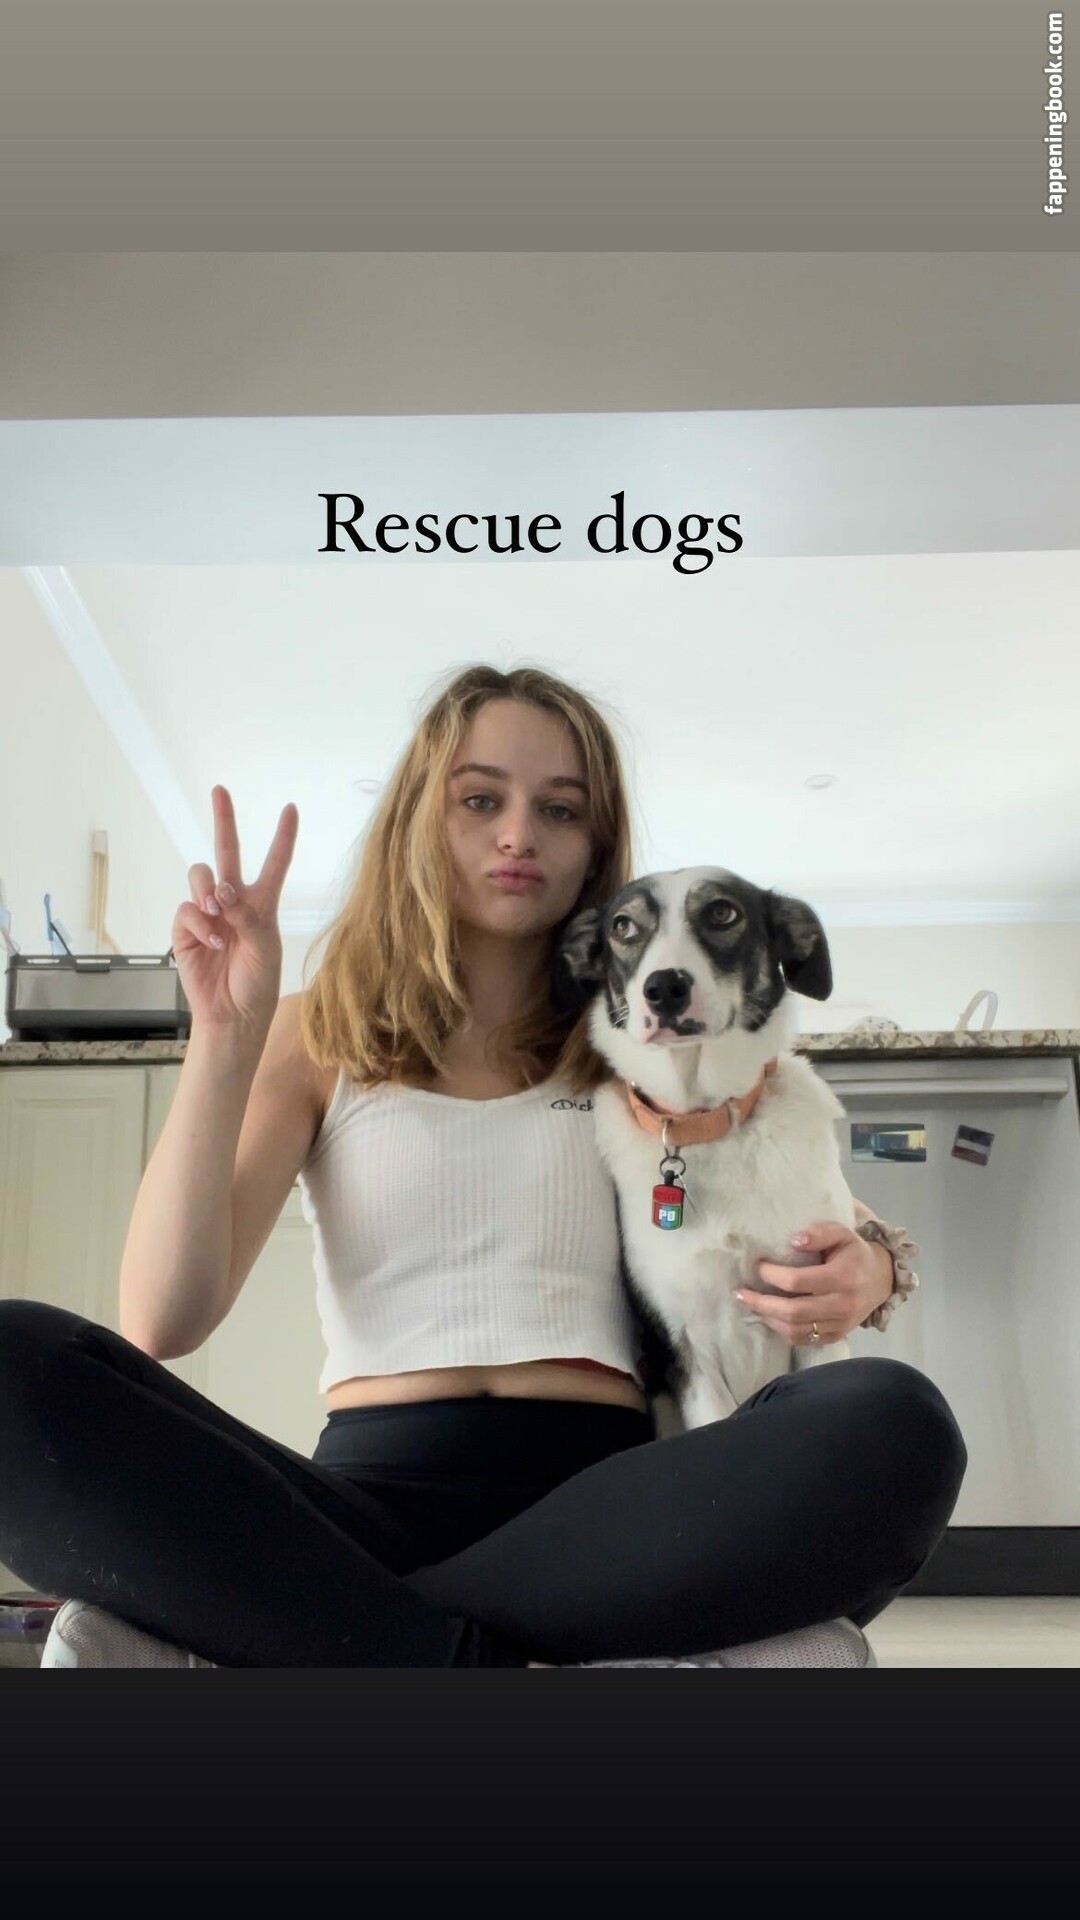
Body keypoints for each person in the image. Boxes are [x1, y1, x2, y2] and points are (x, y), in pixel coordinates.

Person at [0, 663, 966, 1668]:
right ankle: (489, 1658)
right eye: (480, 800)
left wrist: (876, 1266)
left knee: (892, 1421)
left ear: (594, 847)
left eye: (560, 808)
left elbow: (818, 1211)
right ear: (421, 817)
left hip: (612, 1514)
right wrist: (224, 1036)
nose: (518, 834)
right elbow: (163, 1319)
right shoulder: (315, 1032)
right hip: (357, 1504)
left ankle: (364, 1642)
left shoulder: (646, 1044)